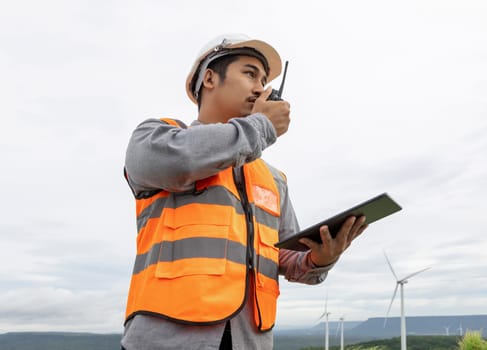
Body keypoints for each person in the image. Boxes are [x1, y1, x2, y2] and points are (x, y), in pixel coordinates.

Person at [121, 33, 367, 350]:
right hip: (166, 341)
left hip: (250, 341)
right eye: (250, 73)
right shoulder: (155, 139)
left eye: (264, 81)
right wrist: (262, 126)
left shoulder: (273, 179)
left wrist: (319, 259)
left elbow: (288, 256)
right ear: (209, 78)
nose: (259, 88)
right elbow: (185, 159)